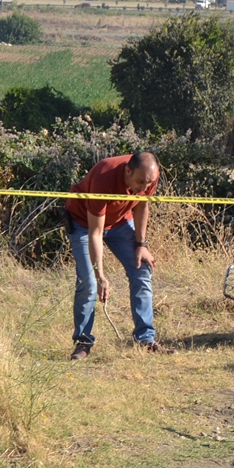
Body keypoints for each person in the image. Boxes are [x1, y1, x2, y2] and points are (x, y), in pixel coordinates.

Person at [64, 151, 176, 360]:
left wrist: (141, 245)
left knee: (141, 270)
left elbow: (142, 205)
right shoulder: (103, 176)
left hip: (120, 223)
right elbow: (95, 232)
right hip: (83, 224)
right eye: (139, 182)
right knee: (88, 283)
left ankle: (145, 339)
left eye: (148, 183)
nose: (144, 187)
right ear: (127, 171)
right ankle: (83, 342)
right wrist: (101, 276)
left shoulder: (149, 175)